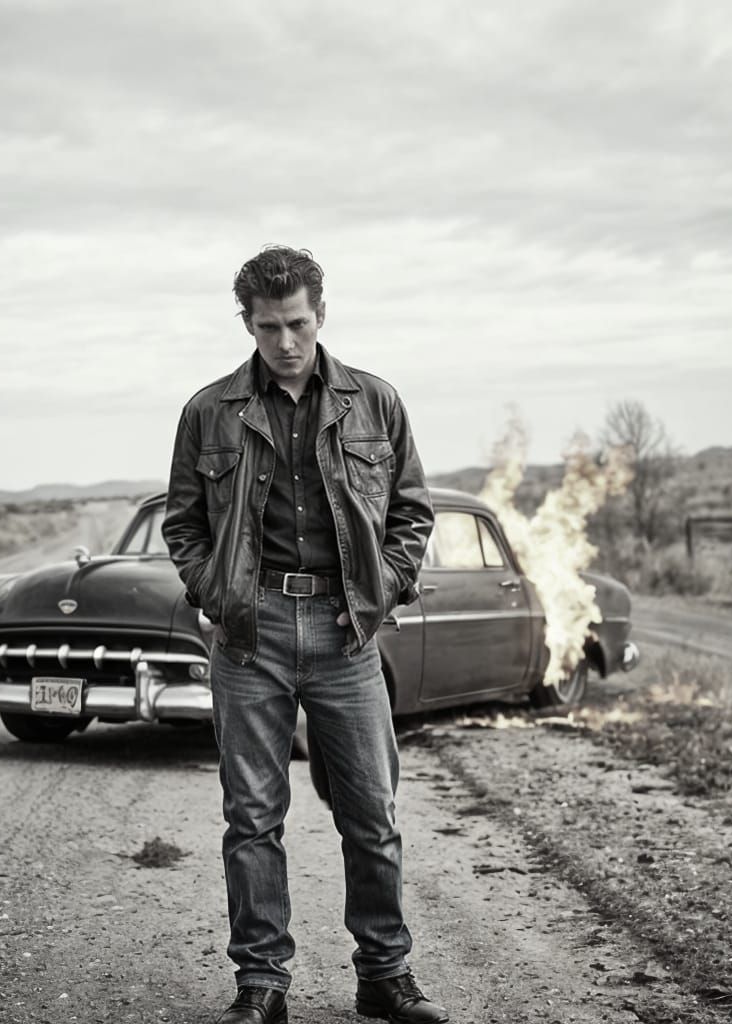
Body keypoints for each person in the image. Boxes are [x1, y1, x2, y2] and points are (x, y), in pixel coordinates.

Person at [163, 246, 447, 1024]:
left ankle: (384, 977)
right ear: (246, 324)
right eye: (267, 327)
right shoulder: (208, 411)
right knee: (252, 816)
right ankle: (262, 984)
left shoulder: (375, 402)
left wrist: (382, 587)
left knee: (372, 812)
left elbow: (412, 513)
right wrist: (217, 594)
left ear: (321, 314)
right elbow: (182, 522)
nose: (284, 342)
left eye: (296, 323)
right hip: (249, 635)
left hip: (347, 632)